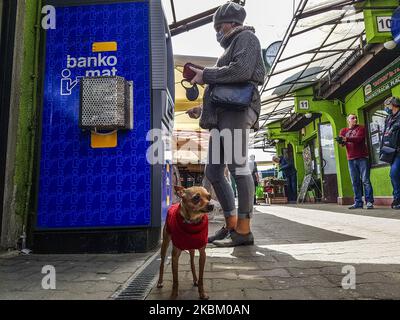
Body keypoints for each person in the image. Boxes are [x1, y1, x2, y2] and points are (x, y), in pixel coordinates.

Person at [186, 2, 265, 247]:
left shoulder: (247, 38)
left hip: (238, 112)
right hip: (224, 113)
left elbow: (241, 71)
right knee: (213, 172)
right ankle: (231, 224)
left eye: (219, 27)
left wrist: (205, 74)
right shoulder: (232, 44)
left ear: (231, 23)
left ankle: (244, 229)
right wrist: (203, 108)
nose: (217, 32)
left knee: (239, 167)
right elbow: (226, 88)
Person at [339, 114, 374, 209]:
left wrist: (346, 139)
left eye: (356, 118)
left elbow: (359, 139)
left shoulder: (361, 128)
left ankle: (369, 201)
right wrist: (341, 141)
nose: (355, 119)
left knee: (365, 180)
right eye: (352, 118)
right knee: (355, 181)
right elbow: (342, 145)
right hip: (350, 159)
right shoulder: (344, 131)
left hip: (362, 157)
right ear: (348, 120)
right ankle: (358, 202)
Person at [381, 97, 400, 210]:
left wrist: (395, 126)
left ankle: (397, 198)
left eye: (387, 105)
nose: (386, 108)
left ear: (393, 104)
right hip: (391, 151)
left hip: (398, 150)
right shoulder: (388, 118)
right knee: (395, 175)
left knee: (394, 174)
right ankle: (397, 198)